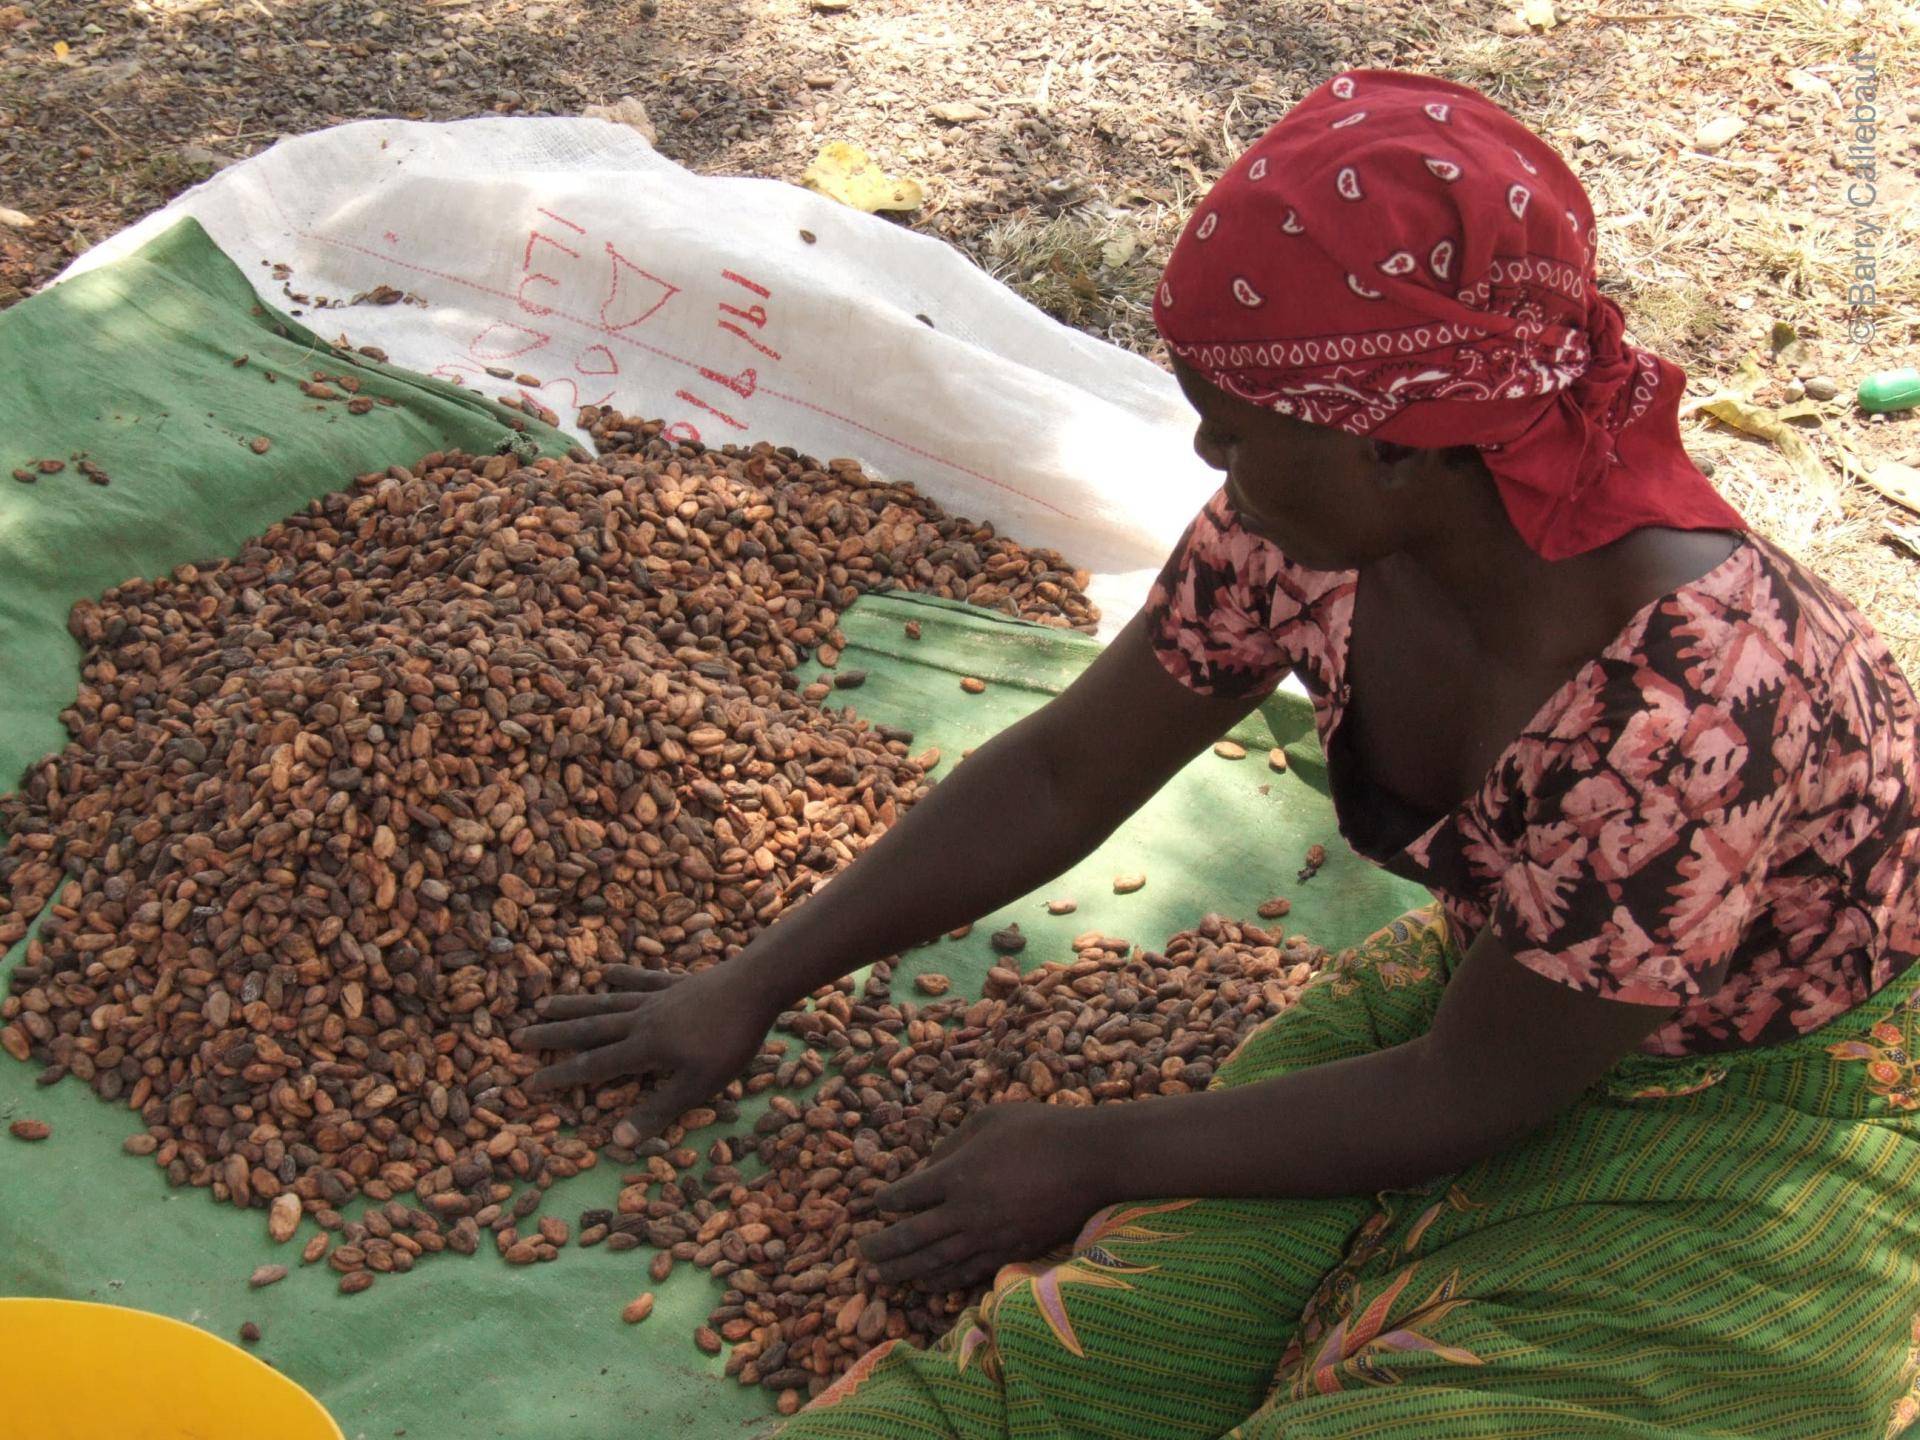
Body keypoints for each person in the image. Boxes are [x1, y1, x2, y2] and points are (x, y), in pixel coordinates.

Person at [516, 69, 1920, 1440]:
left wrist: (1089, 1150)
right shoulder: (1300, 538)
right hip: (1497, 999)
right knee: (1100, 1346)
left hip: (1776, 1094)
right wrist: (754, 982)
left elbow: (1466, 1098)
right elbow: (1070, 769)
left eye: (1237, 429)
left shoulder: (1694, 704)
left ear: (1396, 446)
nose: (1204, 455)